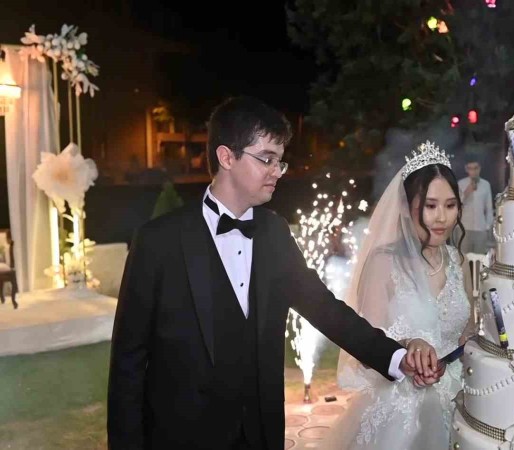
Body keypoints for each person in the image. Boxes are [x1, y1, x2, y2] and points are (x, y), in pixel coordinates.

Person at [107, 97, 441, 450]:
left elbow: (325, 309)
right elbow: (128, 364)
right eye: (266, 159)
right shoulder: (158, 241)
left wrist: (396, 357)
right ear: (227, 157)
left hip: (260, 434)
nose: (277, 171)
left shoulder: (274, 233)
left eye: (280, 161)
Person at [319, 141, 474, 450]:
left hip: (457, 399)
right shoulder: (383, 263)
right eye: (430, 206)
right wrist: (406, 348)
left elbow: (465, 332)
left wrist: (463, 349)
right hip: (399, 412)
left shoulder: (458, 261)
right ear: (405, 206)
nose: (442, 218)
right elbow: (364, 348)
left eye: (450, 205)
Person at [457, 156, 493, 254]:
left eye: (476, 168)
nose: (473, 171)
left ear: (479, 168)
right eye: (470, 168)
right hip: (464, 228)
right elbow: (456, 205)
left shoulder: (486, 185)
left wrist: (487, 227)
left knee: (480, 259)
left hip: (480, 229)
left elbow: (489, 208)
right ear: (466, 169)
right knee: (463, 258)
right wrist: (467, 192)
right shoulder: (461, 184)